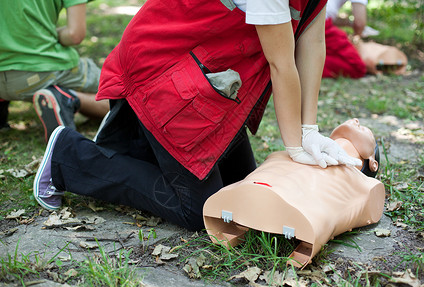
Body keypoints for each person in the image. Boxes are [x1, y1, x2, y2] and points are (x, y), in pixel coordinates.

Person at [33, 0, 362, 232]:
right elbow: (281, 63)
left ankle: (130, 138)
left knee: (240, 191)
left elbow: (312, 43)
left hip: (206, 81)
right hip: (163, 68)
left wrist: (310, 129)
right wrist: (296, 144)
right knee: (200, 211)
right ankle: (69, 157)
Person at [203, 118, 384, 268]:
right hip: (262, 183)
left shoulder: (362, 182)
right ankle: (253, 193)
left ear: (372, 162)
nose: (356, 120)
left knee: (321, 190)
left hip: (305, 203)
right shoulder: (302, 147)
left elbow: (364, 205)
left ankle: (295, 214)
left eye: (366, 130)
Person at [0, 1, 109, 141]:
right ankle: (65, 98)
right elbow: (75, 34)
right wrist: (44, 35)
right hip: (39, 71)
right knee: (123, 98)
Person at [323, 0, 369, 78]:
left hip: (302, 18)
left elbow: (330, 15)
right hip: (320, 25)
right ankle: (305, 64)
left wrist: (350, 23)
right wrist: (356, 37)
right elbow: (359, 24)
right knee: (357, 68)